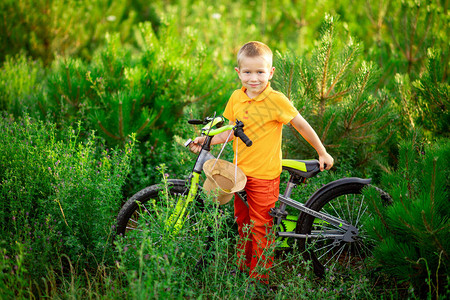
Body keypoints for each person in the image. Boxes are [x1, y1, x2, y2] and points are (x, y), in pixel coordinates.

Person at [189, 41, 334, 283]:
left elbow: (300, 124)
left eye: (260, 72)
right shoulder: (236, 97)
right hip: (239, 176)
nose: (253, 78)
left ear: (271, 72)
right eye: (247, 72)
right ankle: (242, 268)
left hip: (264, 177)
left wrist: (322, 151)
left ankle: (259, 280)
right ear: (238, 73)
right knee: (242, 223)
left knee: (260, 228)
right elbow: (227, 132)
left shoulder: (276, 100)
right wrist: (206, 140)